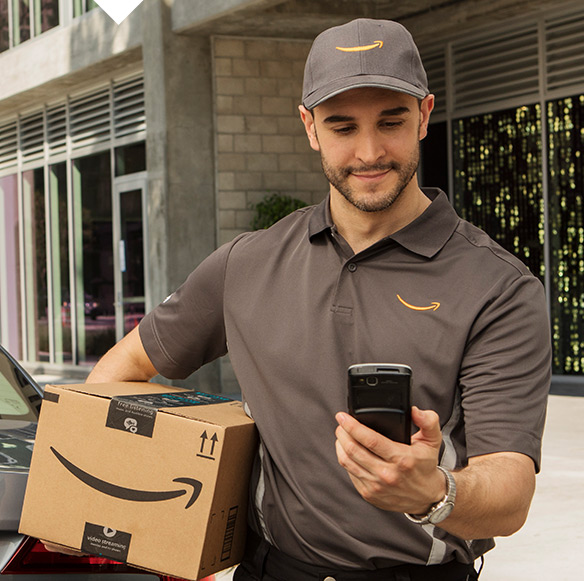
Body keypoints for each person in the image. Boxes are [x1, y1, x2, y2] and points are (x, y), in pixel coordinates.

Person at [84, 17, 552, 581]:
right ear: (309, 127)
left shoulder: (498, 286)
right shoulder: (246, 264)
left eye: (391, 121)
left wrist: (436, 491)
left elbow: (511, 493)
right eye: (342, 126)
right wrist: (171, 515)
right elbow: (118, 374)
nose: (369, 151)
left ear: (425, 115)